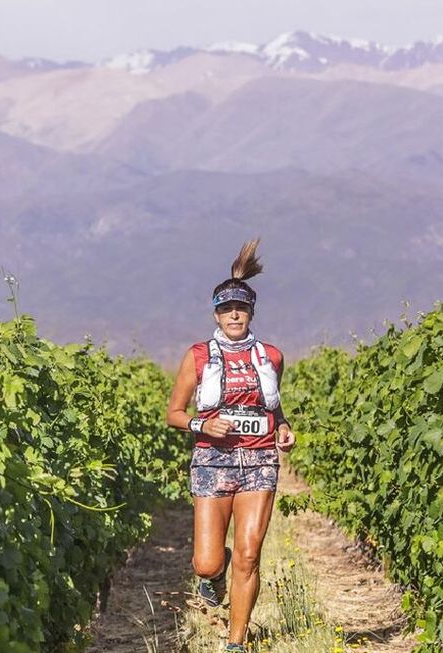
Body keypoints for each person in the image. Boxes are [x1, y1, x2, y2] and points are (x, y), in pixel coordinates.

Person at [165, 238, 296, 653]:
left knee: (248, 555)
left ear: (251, 312)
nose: (234, 315)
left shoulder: (271, 356)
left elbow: (272, 407)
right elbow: (174, 413)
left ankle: (236, 642)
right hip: (212, 461)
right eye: (226, 309)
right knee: (208, 562)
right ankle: (211, 574)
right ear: (216, 314)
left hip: (259, 462)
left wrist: (283, 428)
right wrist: (204, 423)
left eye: (240, 308)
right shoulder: (198, 356)